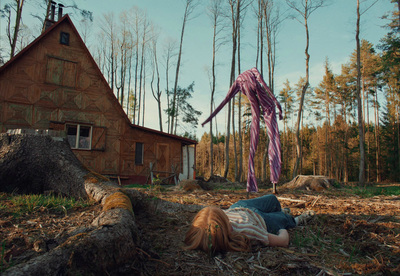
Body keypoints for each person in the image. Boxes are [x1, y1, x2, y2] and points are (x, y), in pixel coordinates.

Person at [184, 194, 314, 254]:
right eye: (226, 219)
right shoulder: (248, 231)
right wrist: (282, 230)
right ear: (226, 226)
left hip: (240, 207)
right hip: (262, 220)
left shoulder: (212, 224)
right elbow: (283, 241)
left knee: (272, 199)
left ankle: (280, 211)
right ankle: (294, 219)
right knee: (283, 219)